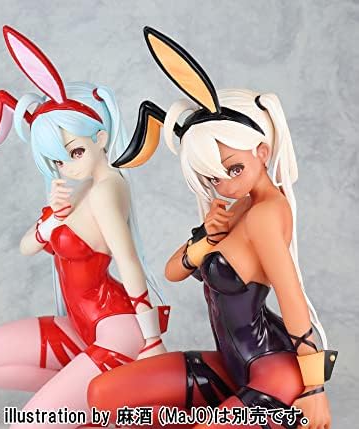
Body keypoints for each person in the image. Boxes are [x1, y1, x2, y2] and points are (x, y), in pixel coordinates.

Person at [88, 27, 336, 429]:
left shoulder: (267, 214)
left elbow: (293, 299)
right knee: (104, 394)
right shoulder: (238, 210)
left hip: (273, 371)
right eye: (213, 177)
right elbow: (173, 271)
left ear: (262, 152)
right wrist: (207, 238)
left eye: (233, 169)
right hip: (232, 364)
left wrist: (315, 388)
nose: (225, 184)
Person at [0, 26, 169, 429]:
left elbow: (129, 262)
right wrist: (51, 220)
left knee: (29, 423)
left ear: (101, 137)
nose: (67, 167)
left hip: (116, 330)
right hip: (79, 326)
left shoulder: (106, 189)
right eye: (57, 161)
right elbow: (26, 247)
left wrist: (153, 340)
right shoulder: (81, 190)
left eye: (74, 152)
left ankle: (85, 405)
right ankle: (91, 408)